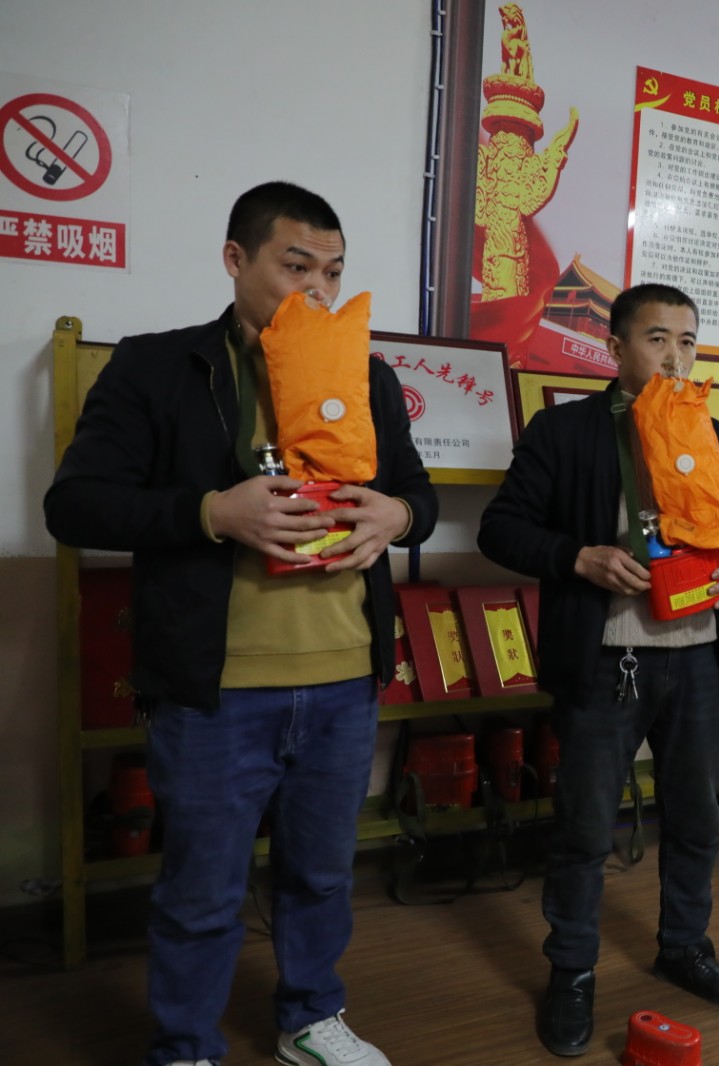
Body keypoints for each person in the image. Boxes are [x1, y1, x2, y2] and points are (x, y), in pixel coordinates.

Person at [44, 182, 438, 1066]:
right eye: (296, 267)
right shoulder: (158, 366)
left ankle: (310, 1019)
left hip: (344, 678)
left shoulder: (366, 374)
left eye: (332, 272)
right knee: (201, 888)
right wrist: (212, 512)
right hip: (215, 688)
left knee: (323, 875)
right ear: (235, 259)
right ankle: (187, 1043)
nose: (318, 291)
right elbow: (74, 505)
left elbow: (417, 494)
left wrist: (400, 517)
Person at [478, 282, 719, 1057]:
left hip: (696, 657)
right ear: (615, 348)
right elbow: (502, 528)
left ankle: (685, 947)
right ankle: (572, 970)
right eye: (657, 338)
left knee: (697, 818)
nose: (675, 356)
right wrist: (581, 557)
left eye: (688, 341)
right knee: (584, 827)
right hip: (608, 660)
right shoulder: (565, 430)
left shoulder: (712, 431)